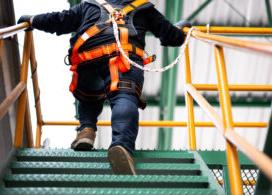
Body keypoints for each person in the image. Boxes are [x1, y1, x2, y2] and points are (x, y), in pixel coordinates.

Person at [18, 0, 191, 175]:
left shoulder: (89, 6)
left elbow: (60, 20)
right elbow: (170, 35)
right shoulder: (144, 8)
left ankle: (86, 130)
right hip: (123, 59)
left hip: (88, 59)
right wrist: (182, 30)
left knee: (89, 96)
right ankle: (121, 146)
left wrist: (33, 20)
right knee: (124, 97)